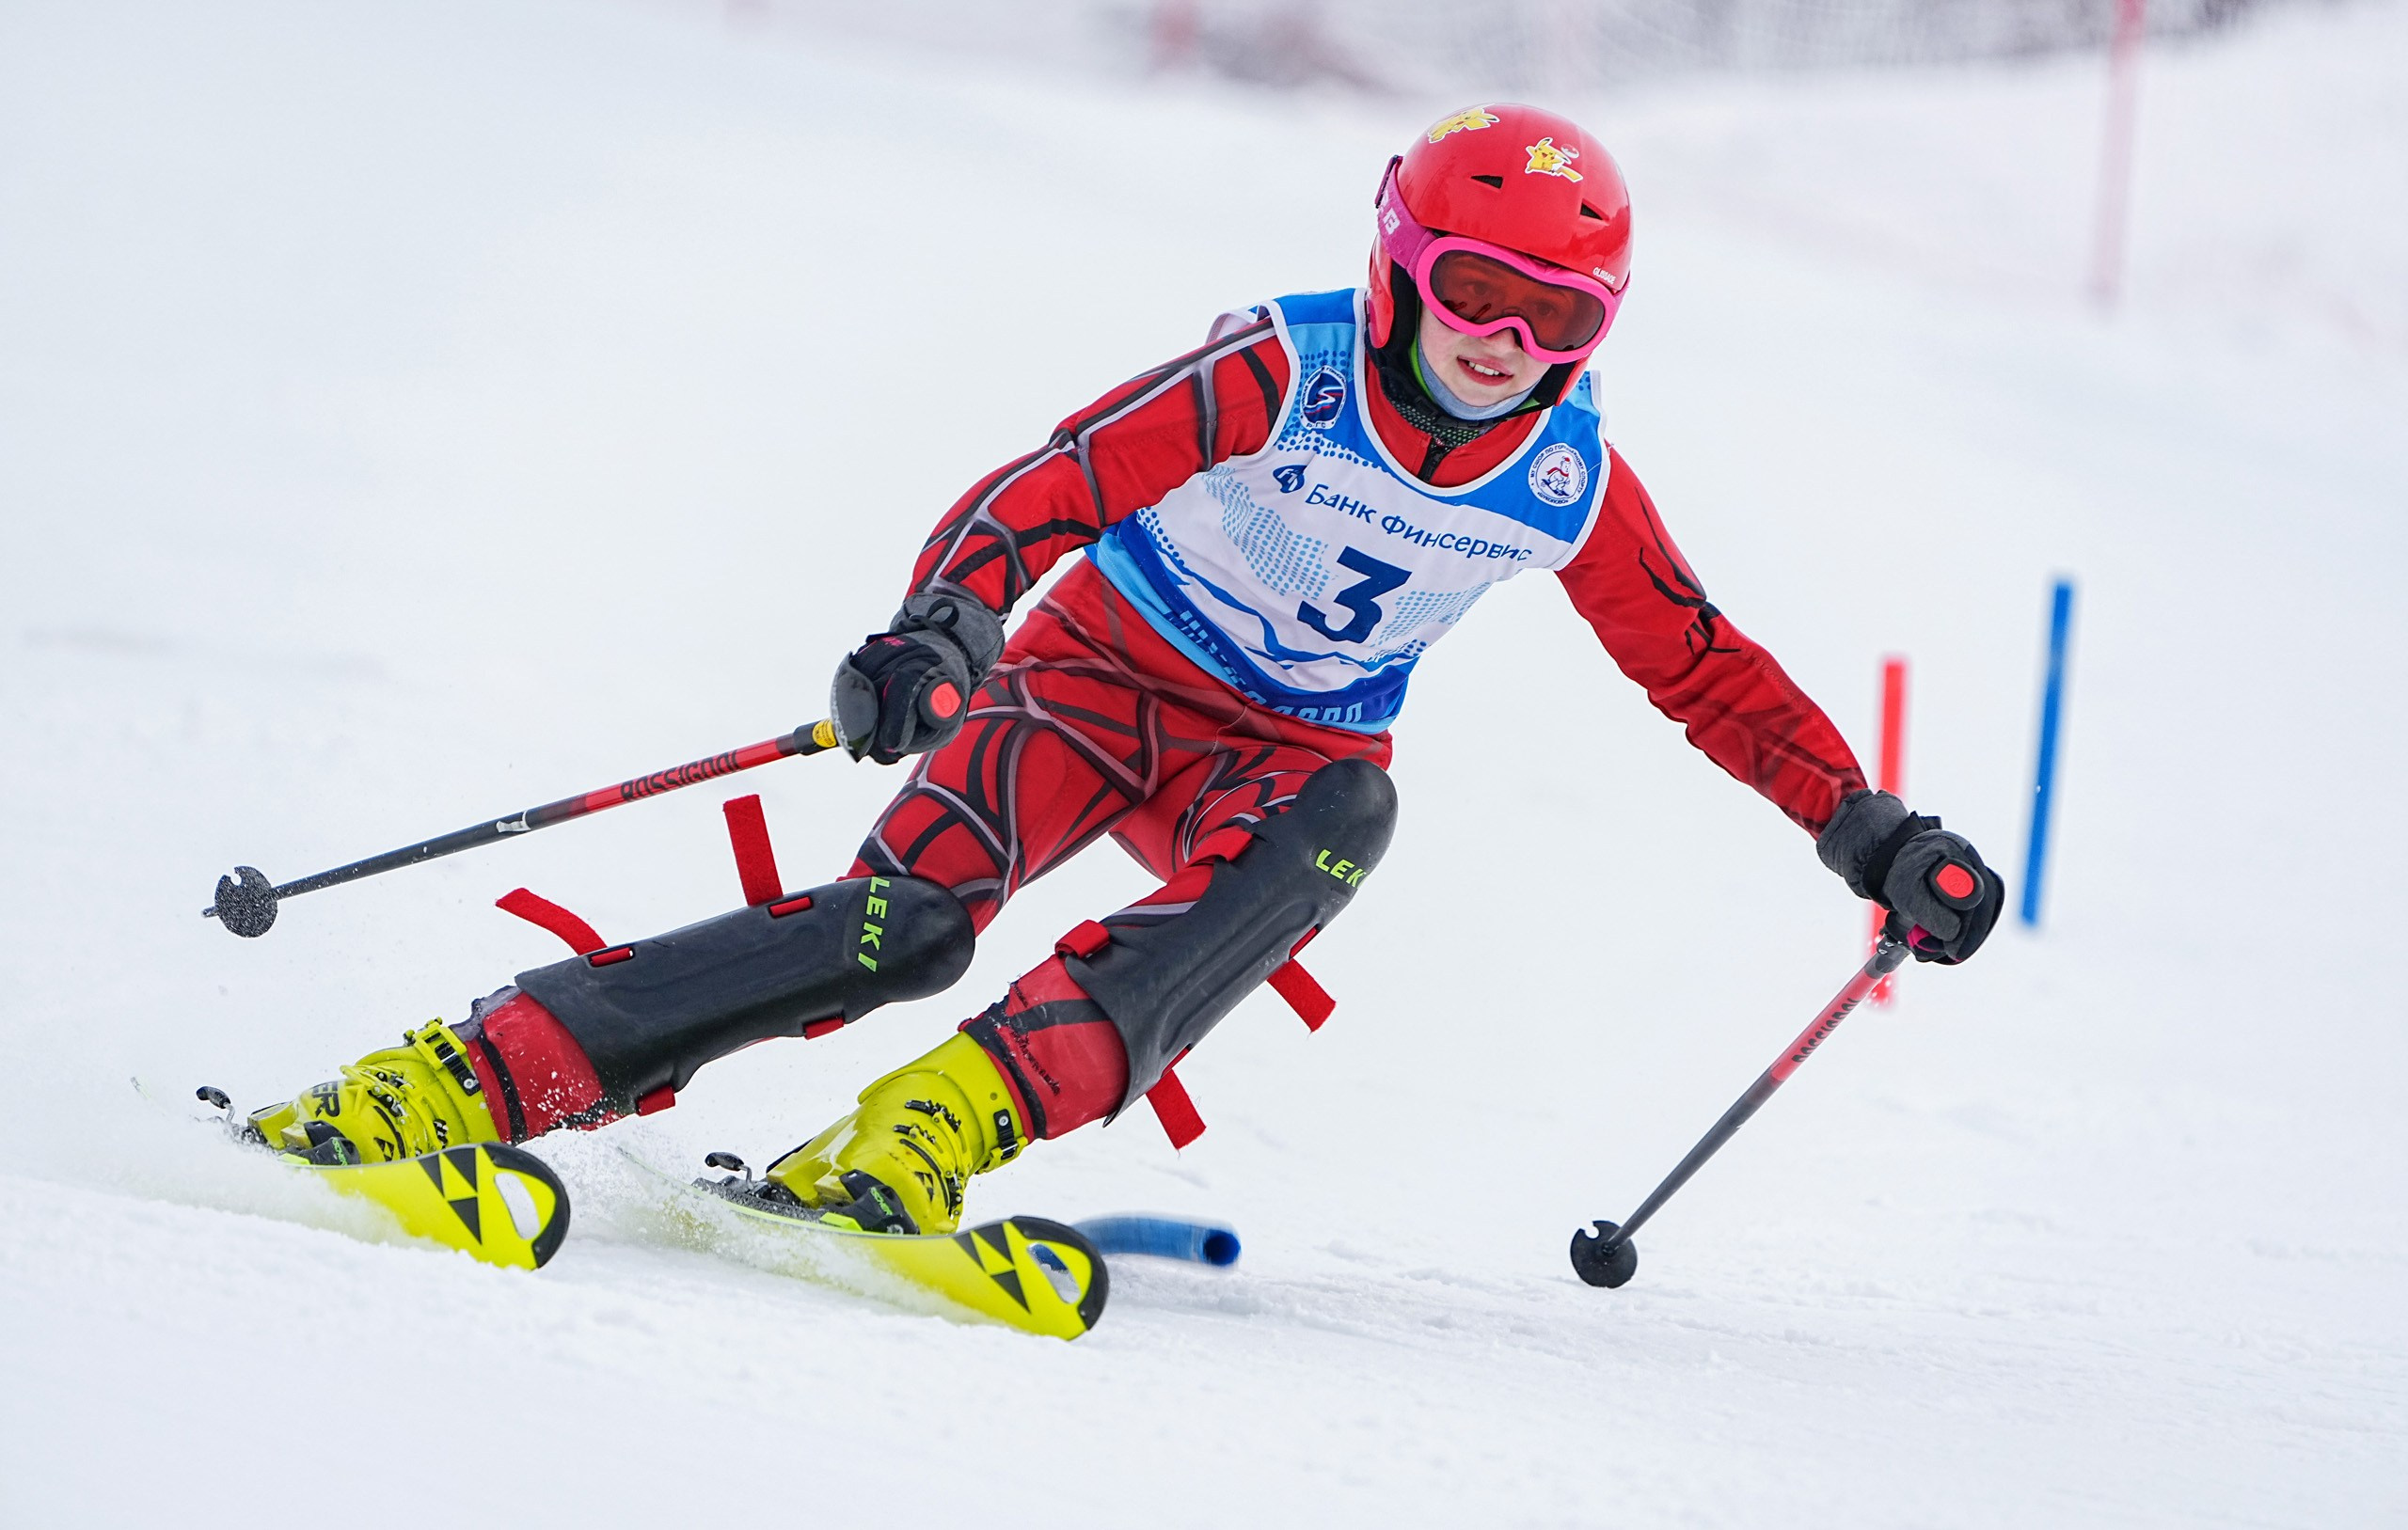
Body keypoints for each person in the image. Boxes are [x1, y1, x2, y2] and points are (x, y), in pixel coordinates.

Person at [242, 103, 2001, 1236]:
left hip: (1276, 756)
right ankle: (481, 1071)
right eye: (1479, 289)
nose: (1507, 342)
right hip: (1091, 679)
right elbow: (1055, 485)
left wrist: (1866, 828)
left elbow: (1703, 668)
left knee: (1348, 815)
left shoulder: (1568, 480)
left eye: (1563, 317)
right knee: (901, 927)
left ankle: (930, 1133)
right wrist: (948, 624)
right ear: (1401, 266)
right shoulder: (1285, 373)